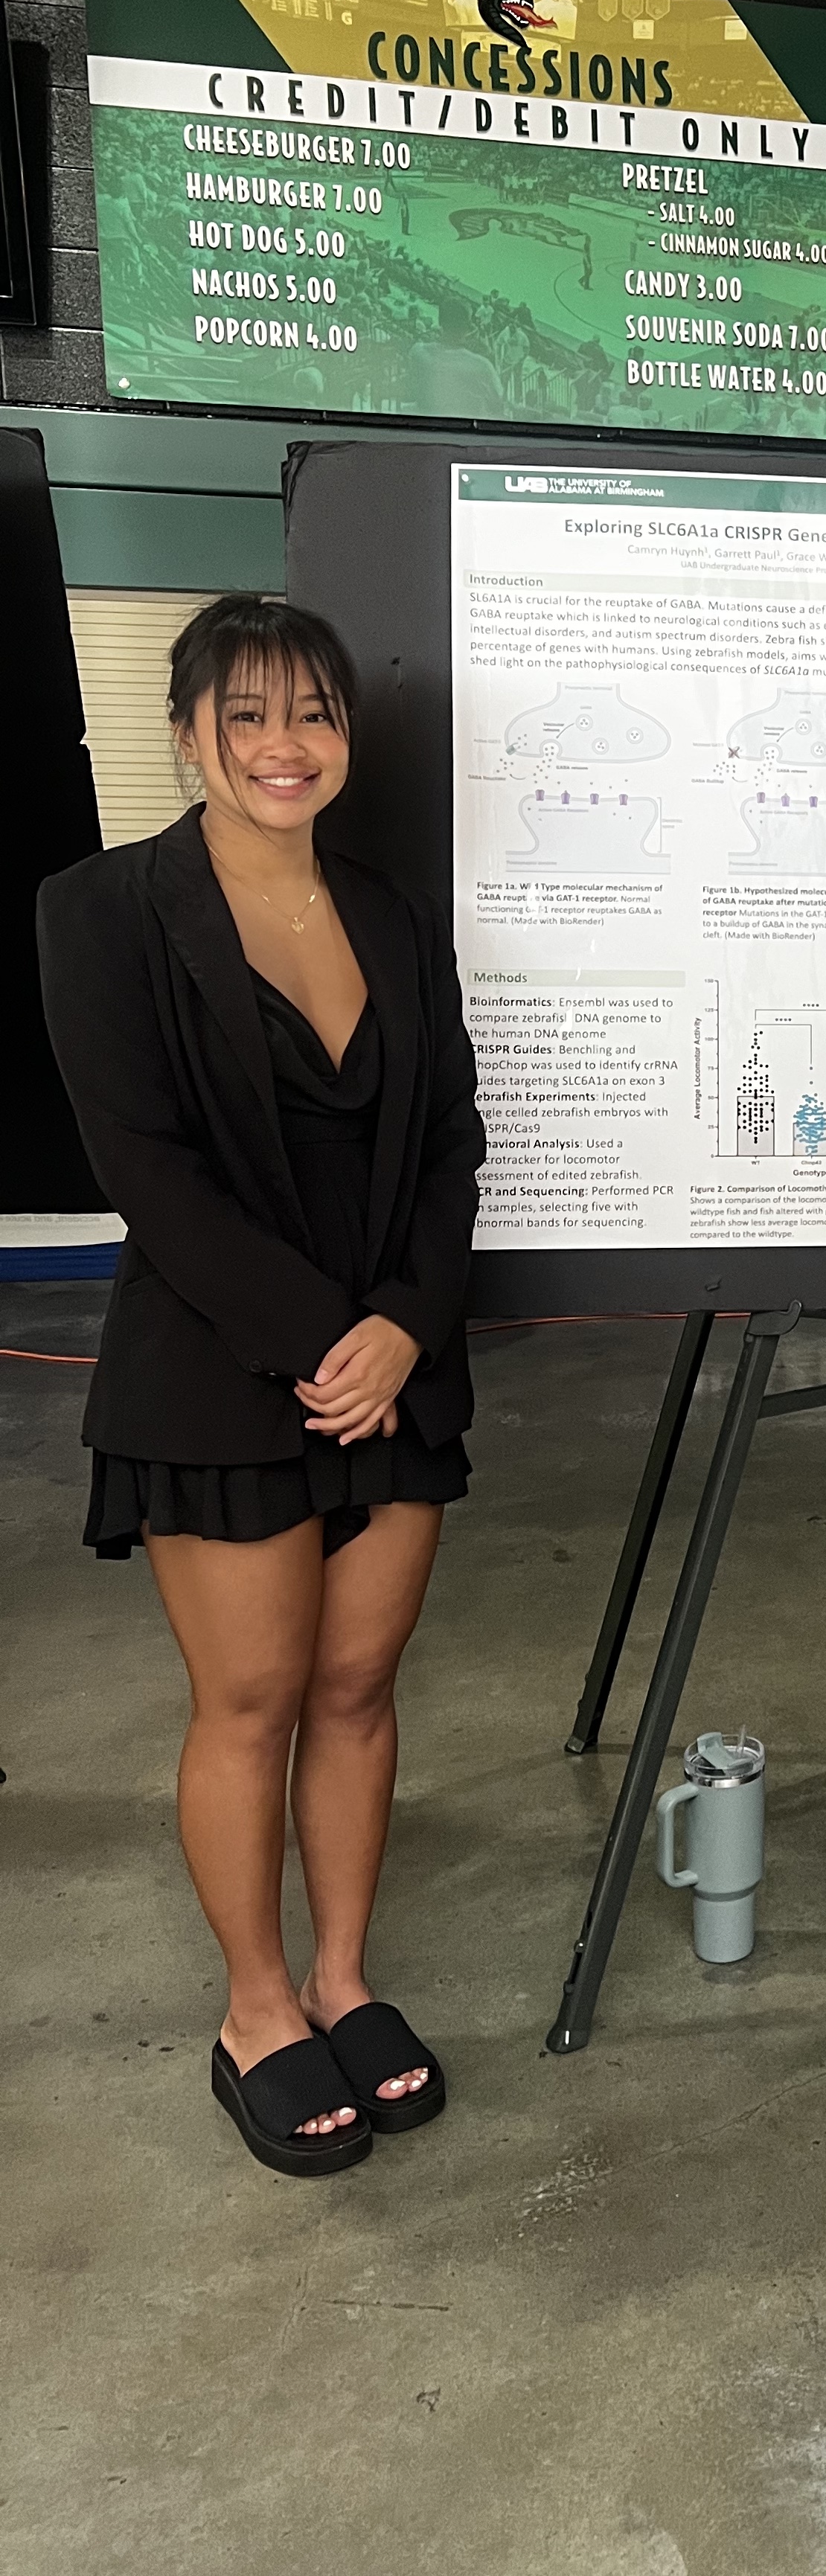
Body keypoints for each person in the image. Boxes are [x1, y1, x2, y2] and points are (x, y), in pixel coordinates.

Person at [37, 597, 484, 2179]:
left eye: (314, 713)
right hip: (221, 1371)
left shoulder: (391, 914)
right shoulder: (99, 912)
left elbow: (448, 1145)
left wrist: (405, 1328)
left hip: (394, 1372)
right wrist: (323, 1340)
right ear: (188, 736)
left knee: (358, 1690)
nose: (285, 745)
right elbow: (145, 1169)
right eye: (247, 714)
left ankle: (344, 1980)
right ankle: (256, 2011)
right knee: (251, 1702)